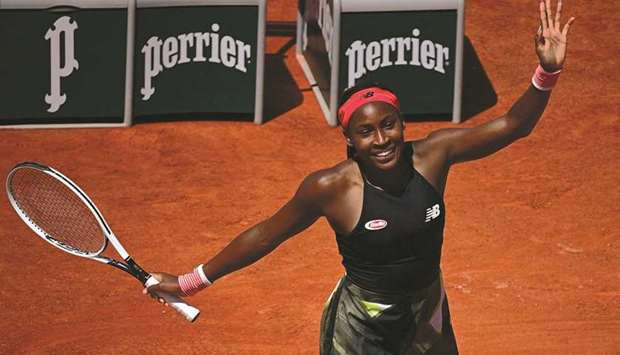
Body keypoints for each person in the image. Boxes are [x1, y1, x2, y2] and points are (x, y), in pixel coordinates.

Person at [145, 1, 575, 353]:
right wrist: (188, 281)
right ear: (350, 141)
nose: (382, 139)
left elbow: (514, 125)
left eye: (389, 125)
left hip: (427, 312)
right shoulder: (330, 188)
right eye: (366, 132)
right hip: (361, 329)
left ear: (402, 124)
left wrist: (547, 73)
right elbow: (265, 236)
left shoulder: (434, 154)